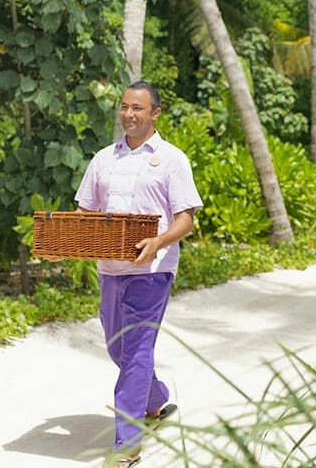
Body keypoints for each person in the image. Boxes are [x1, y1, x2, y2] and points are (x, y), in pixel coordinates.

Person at [74, 80, 203, 468]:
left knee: (136, 352)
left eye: (138, 109)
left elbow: (186, 220)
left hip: (152, 271)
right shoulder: (102, 159)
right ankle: (155, 399)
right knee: (119, 348)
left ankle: (126, 446)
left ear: (155, 114)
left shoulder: (171, 159)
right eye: (125, 107)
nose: (129, 114)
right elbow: (85, 215)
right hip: (110, 269)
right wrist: (65, 243)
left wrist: (158, 242)